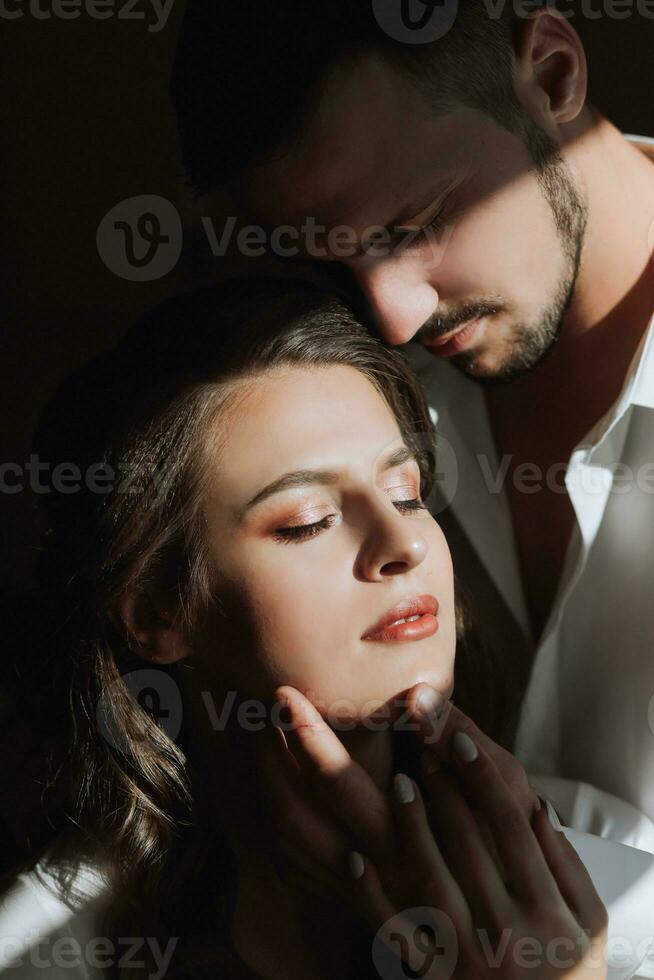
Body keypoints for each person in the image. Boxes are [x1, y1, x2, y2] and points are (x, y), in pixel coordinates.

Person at [168, 3, 654, 974]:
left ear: (553, 73)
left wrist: (409, 862)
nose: (391, 316)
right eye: (327, 252)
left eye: (420, 222)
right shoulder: (336, 390)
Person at [0, 277, 608, 979]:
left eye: (407, 494)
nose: (403, 543)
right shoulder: (46, 952)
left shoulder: (610, 874)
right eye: (307, 521)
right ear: (156, 617)